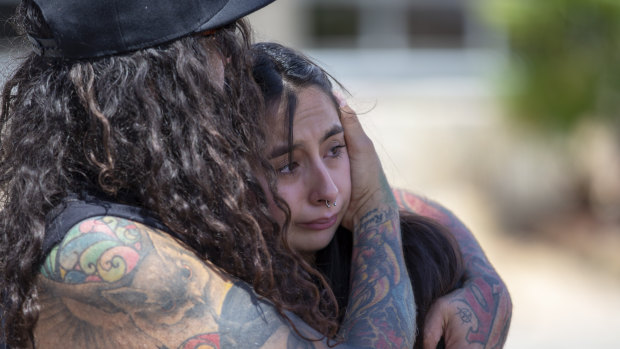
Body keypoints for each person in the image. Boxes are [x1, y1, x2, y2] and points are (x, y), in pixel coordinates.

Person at [0, 0, 417, 348]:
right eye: (214, 39)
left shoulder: (156, 192)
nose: (234, 58)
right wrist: (372, 211)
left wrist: (470, 273)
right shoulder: (101, 251)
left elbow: (420, 207)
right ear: (151, 77)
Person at [251, 42, 513, 349]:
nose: (328, 191)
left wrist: (485, 282)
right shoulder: (211, 296)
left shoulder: (421, 262)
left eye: (335, 149)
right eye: (287, 166)